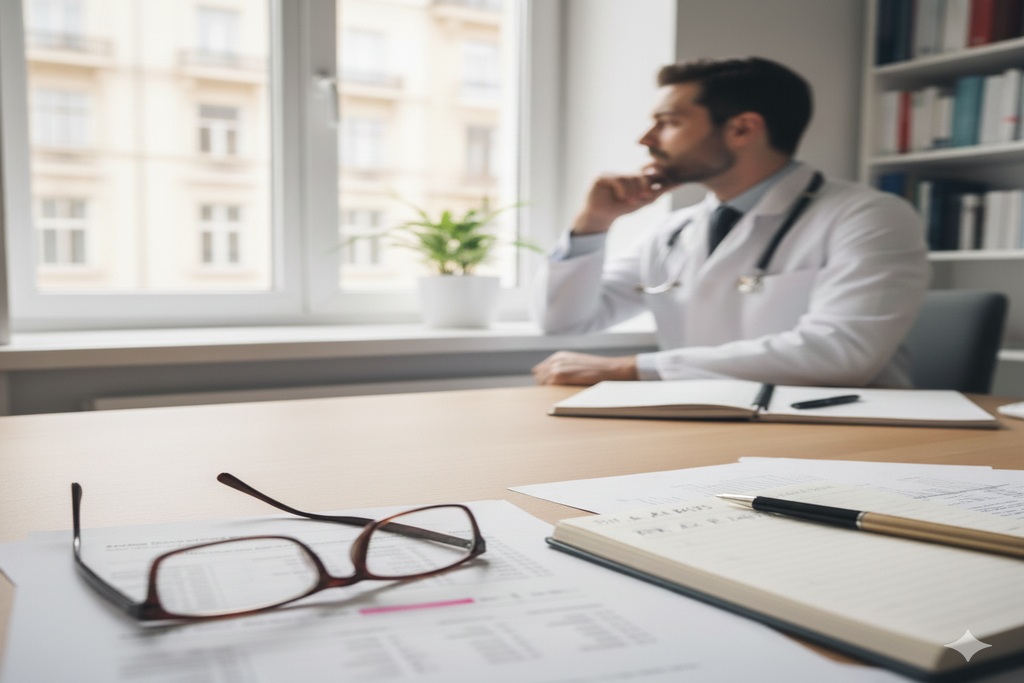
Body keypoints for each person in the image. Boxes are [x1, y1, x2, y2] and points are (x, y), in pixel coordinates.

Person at [531, 57, 928, 388]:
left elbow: (842, 354)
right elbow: (564, 322)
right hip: (710, 420)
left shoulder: (869, 216)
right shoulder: (675, 232)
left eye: (668, 122)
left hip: (844, 429)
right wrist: (594, 222)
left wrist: (632, 368)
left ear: (742, 129)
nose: (646, 139)